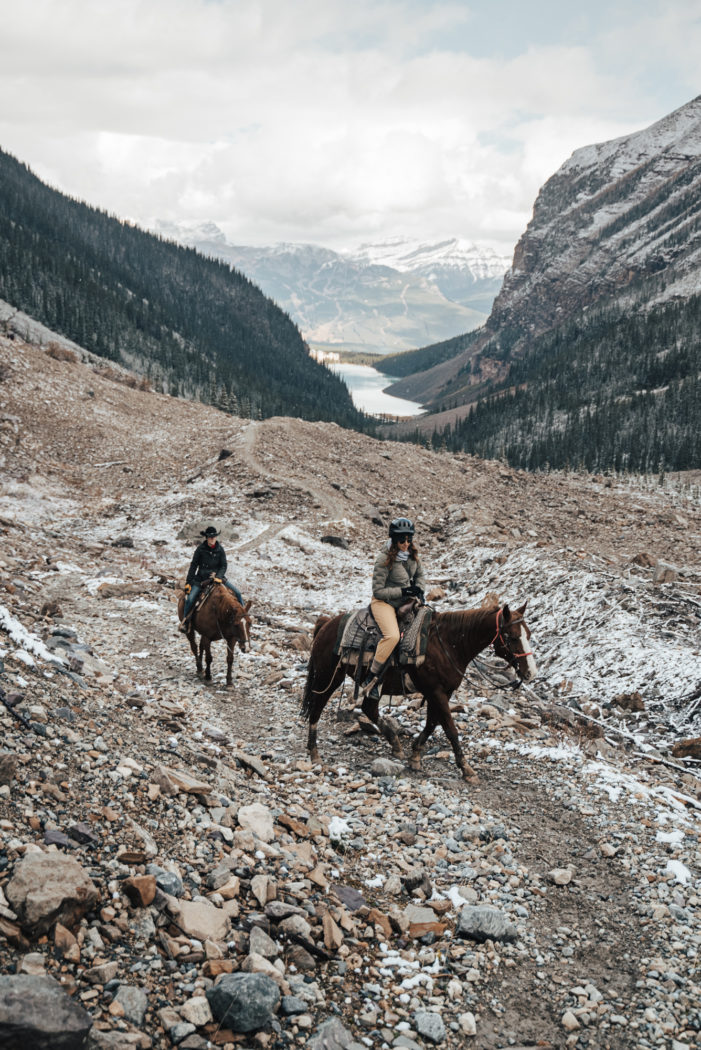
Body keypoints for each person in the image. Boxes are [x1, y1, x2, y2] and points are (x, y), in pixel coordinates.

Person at [362, 516, 425, 701]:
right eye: (402, 540)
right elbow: (378, 591)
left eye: (409, 539)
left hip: (407, 602)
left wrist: (419, 588)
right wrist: (403, 590)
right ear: (394, 539)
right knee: (393, 636)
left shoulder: (412, 555)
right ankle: (370, 678)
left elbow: (421, 575)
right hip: (384, 603)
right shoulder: (384, 559)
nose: (406, 543)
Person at [180, 527, 243, 632]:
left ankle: (242, 616)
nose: (212, 538)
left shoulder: (220, 549)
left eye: (214, 536)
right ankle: (185, 622)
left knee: (238, 593)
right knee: (190, 599)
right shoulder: (200, 549)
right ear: (206, 537)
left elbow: (224, 565)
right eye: (210, 537)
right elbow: (193, 566)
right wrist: (188, 582)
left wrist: (218, 576)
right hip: (201, 579)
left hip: (218, 578)